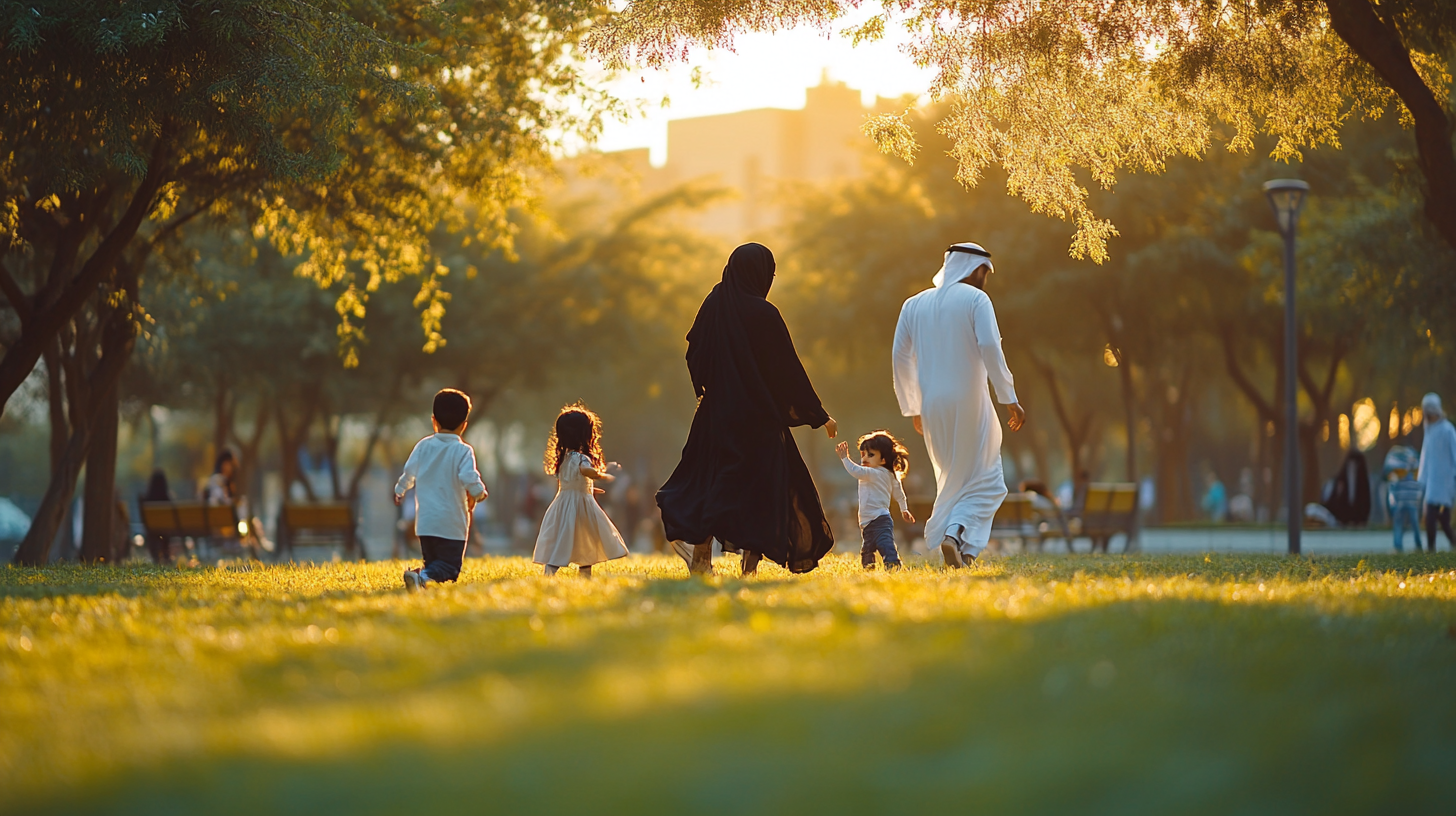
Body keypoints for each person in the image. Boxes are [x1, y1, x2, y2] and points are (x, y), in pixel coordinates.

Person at [657, 242, 839, 576]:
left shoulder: (714, 304)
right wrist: (817, 414)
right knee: (763, 487)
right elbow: (787, 369)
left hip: (715, 415)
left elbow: (693, 350)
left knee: (714, 482)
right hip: (758, 418)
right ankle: (749, 568)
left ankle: (701, 557)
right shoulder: (765, 313)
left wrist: (706, 387)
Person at [892, 242, 1025, 568]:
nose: (985, 280)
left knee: (954, 477)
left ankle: (963, 548)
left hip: (932, 406)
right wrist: (1009, 397)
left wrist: (913, 406)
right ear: (975, 269)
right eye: (985, 273)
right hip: (970, 401)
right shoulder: (977, 299)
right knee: (988, 480)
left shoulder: (913, 304)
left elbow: (900, 357)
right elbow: (990, 346)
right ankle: (955, 537)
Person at [395, 389, 489, 591]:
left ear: (433, 421)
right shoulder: (463, 450)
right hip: (451, 523)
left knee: (435, 563)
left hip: (426, 522)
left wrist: (400, 490)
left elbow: (409, 472)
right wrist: (479, 492)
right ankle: (422, 576)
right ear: (464, 425)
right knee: (450, 568)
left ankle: (422, 577)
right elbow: (468, 477)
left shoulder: (423, 446)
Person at [533, 405, 630, 577]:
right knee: (587, 540)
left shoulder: (563, 459)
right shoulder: (581, 458)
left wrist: (589, 488)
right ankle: (583, 575)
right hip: (580, 508)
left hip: (564, 503)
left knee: (562, 539)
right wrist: (602, 475)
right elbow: (585, 471)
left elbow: (571, 481)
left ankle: (551, 572)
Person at [837, 431, 914, 571]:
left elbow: (855, 471)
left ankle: (892, 564)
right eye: (863, 455)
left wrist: (845, 458)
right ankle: (869, 568)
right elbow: (899, 493)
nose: (865, 458)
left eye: (870, 455)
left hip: (879, 519)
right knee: (867, 547)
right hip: (868, 522)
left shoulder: (873, 472)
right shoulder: (890, 475)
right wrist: (904, 509)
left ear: (883, 460)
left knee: (885, 544)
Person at [1418, 392, 1456, 551]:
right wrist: (1422, 481)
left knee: (1444, 520)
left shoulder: (1448, 430)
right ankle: (1431, 549)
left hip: (1446, 482)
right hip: (1432, 485)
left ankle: (1453, 543)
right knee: (1431, 518)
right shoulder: (1429, 432)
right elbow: (1425, 459)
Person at [1384, 446, 1423, 553]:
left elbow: (1391, 483)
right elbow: (1419, 483)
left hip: (1399, 500)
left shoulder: (1393, 464)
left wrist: (1392, 501)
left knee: (1398, 524)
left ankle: (1398, 546)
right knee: (1415, 524)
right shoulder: (1415, 463)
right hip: (1412, 500)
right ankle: (1418, 545)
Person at [140, 468, 173, 563]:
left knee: (153, 534)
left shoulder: (146, 500)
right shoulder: (167, 499)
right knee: (165, 532)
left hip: (151, 530)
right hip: (165, 530)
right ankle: (166, 556)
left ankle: (155, 557)